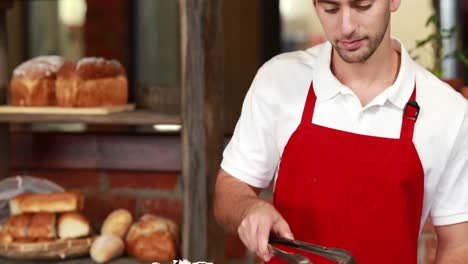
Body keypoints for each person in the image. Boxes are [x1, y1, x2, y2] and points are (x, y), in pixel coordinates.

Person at [214, 0, 468, 263]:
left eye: (363, 6)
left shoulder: (448, 112)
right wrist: (249, 209)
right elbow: (230, 189)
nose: (346, 27)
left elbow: (459, 247)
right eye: (331, 9)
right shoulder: (278, 80)